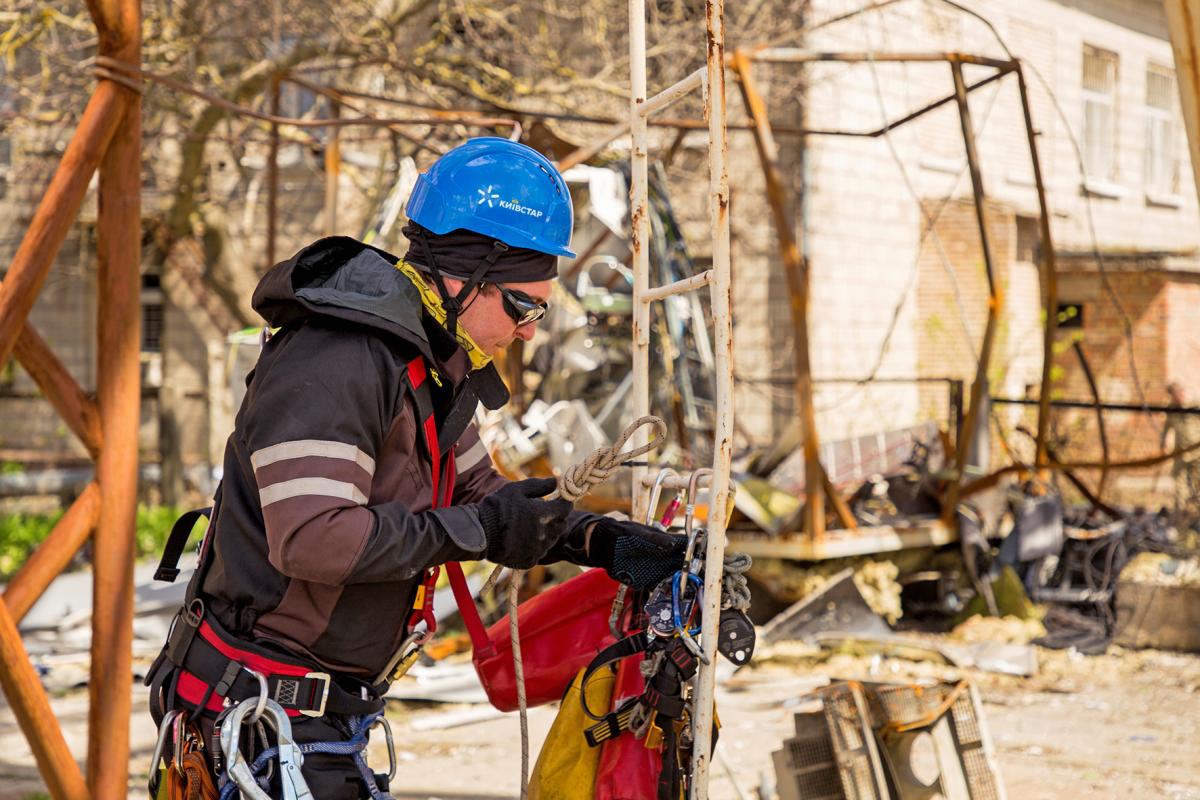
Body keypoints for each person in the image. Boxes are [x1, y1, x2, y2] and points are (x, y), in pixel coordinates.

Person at [145, 138, 684, 799]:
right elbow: (315, 537)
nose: (530, 333)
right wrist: (481, 530)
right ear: (464, 278)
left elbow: (485, 495)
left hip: (321, 721)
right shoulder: (335, 361)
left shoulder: (428, 367)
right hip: (261, 721)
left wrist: (599, 539)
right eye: (523, 306)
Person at [1162, 381, 1200, 522]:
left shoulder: (1194, 406)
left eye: (1180, 393)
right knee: (1180, 482)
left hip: (1197, 452)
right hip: (1180, 452)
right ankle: (1181, 513)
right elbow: (1167, 427)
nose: (1179, 396)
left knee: (1198, 481)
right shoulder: (1171, 410)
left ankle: (1196, 512)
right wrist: (1164, 442)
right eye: (1175, 394)